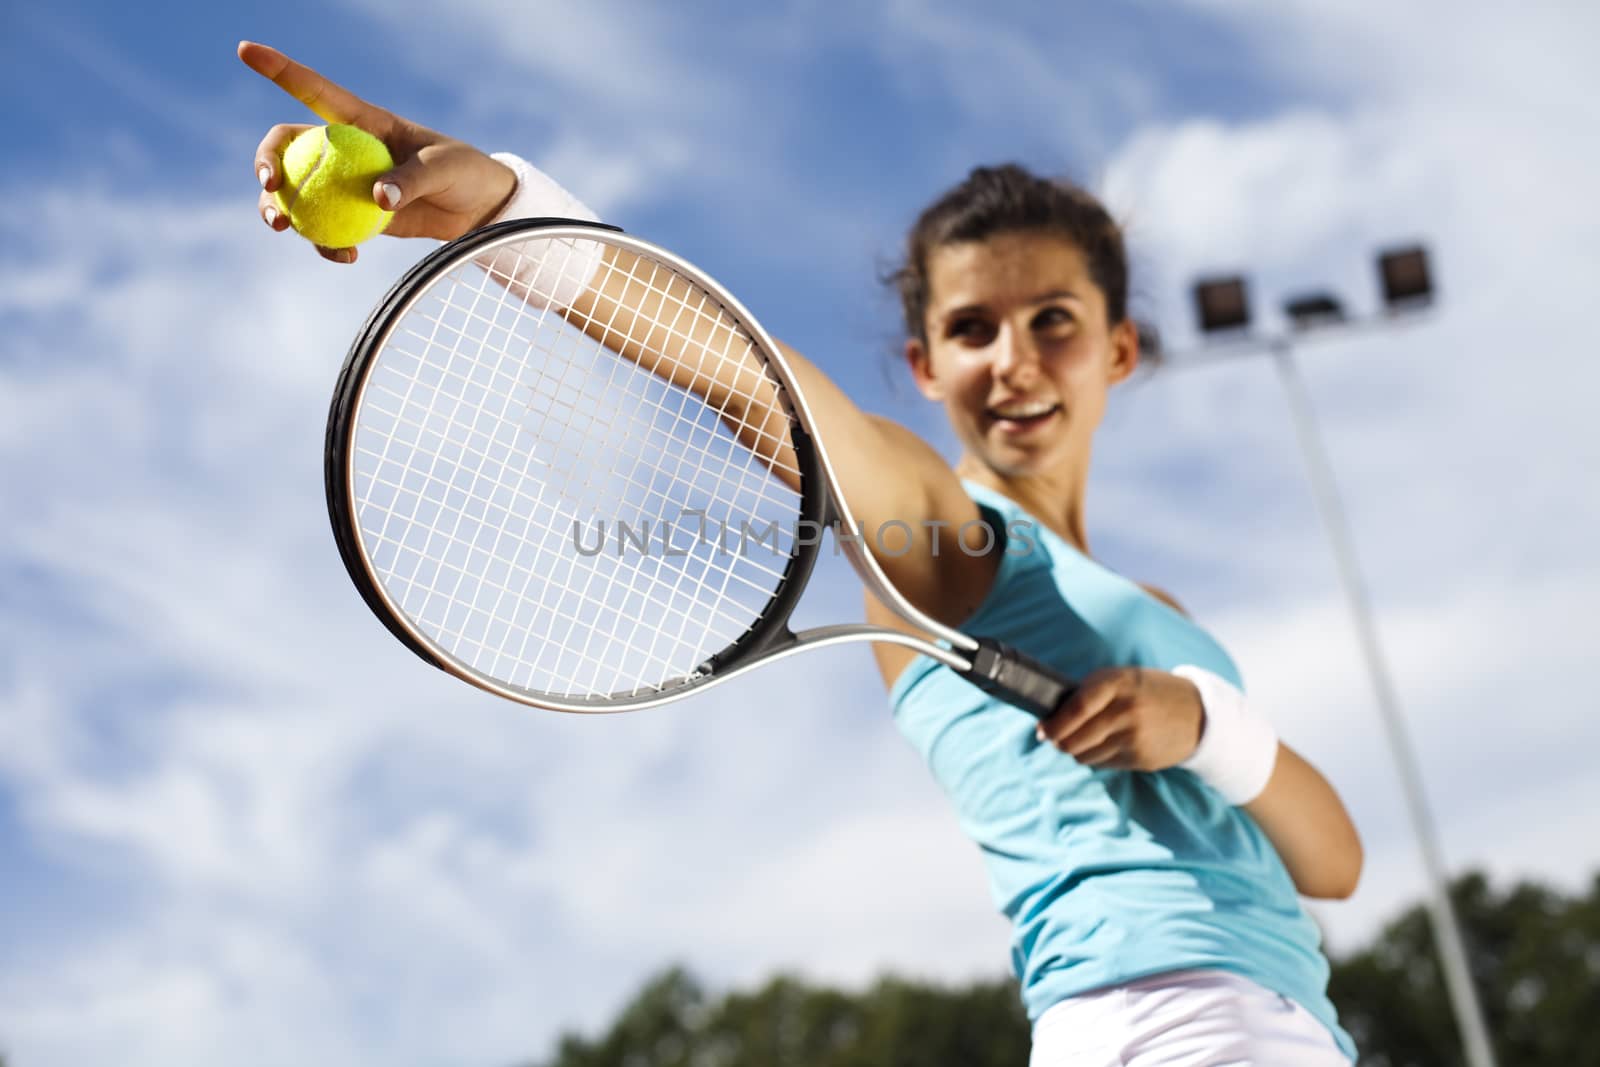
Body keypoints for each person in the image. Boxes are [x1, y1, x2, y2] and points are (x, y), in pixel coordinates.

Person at [240, 40, 1364, 1065]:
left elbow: (1329, 864)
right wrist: (513, 213)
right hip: (1169, 1021)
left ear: (1118, 348)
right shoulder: (949, 541)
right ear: (924, 366)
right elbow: (746, 376)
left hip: (1284, 1020)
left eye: (1052, 320)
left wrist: (1205, 722)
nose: (1013, 362)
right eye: (972, 328)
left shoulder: (1151, 605)